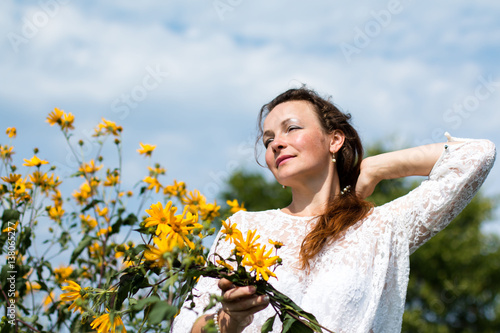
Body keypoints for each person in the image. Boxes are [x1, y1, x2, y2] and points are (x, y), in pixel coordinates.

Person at [172, 87, 496, 333]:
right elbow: (186, 325)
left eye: (291, 128)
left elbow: (477, 155)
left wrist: (378, 166)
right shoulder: (242, 228)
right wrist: (229, 319)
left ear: (334, 140)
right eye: (268, 138)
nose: (275, 143)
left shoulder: (380, 227)